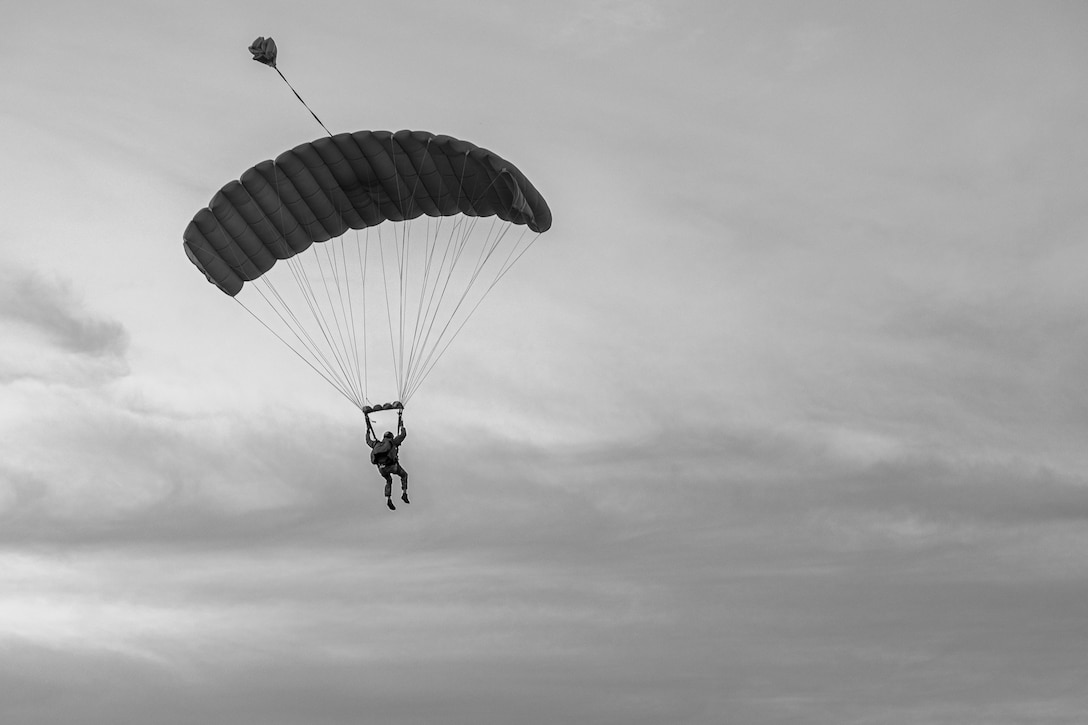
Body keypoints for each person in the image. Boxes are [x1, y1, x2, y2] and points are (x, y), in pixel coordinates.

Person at [366, 411, 408, 510]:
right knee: (404, 475)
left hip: (381, 468)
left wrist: (367, 430)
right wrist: (401, 423)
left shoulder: (376, 444)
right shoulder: (393, 442)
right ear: (391, 437)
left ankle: (388, 498)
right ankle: (404, 493)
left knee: (389, 480)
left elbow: (367, 440)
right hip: (392, 466)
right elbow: (403, 434)